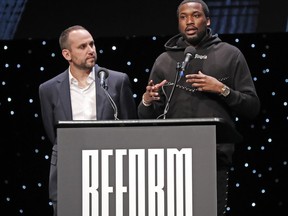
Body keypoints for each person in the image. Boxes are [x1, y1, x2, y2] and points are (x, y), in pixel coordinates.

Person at [138, 0, 260, 215]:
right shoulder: (163, 60)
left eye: (195, 15)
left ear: (208, 20)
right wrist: (147, 100)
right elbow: (148, 116)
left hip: (213, 158)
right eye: (183, 17)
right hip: (171, 158)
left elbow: (252, 107)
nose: (189, 21)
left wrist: (222, 89)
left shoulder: (230, 54)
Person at [39, 25, 137, 215]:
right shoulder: (48, 89)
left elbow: (130, 128)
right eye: (82, 47)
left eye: (92, 44)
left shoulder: (117, 81)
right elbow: (54, 134)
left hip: (112, 173)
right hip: (70, 171)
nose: (91, 50)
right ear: (67, 54)